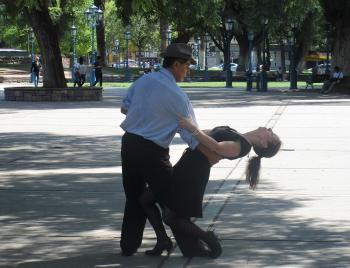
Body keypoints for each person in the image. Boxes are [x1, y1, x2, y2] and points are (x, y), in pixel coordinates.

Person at [139, 116, 281, 258]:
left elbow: (216, 147)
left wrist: (190, 129)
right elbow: (206, 135)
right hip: (185, 165)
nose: (269, 129)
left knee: (170, 217)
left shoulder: (243, 146)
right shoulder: (238, 135)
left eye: (271, 134)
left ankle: (208, 237)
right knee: (146, 199)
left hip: (193, 173)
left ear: (264, 144)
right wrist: (185, 128)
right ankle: (163, 240)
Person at [119, 43, 197, 256]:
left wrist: (145, 117)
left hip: (130, 144)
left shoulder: (143, 80)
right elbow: (192, 135)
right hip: (153, 152)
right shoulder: (178, 96)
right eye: (186, 66)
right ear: (176, 64)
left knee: (134, 197)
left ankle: (129, 245)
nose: (187, 70)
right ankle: (193, 245)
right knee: (172, 199)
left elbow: (125, 107)